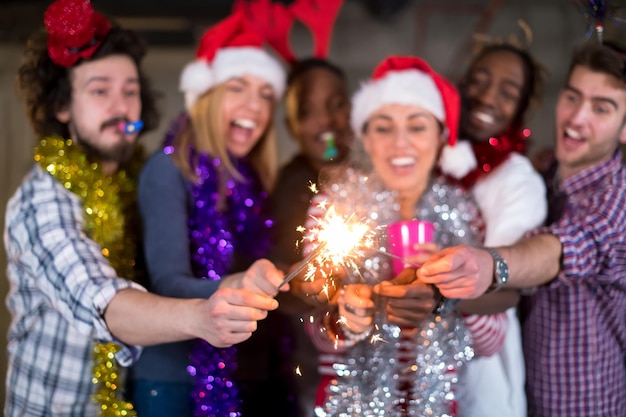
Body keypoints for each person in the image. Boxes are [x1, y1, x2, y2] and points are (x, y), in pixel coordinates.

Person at [4, 1, 286, 416]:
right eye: (100, 91)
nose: (121, 108)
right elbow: (106, 304)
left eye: (130, 91)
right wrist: (204, 316)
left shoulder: (127, 181)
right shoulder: (41, 203)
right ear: (61, 106)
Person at [294, 56, 512, 417]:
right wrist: (347, 318)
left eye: (417, 127)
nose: (400, 143)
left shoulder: (463, 211)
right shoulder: (334, 204)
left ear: (441, 137)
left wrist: (452, 286)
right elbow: (316, 326)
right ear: (364, 136)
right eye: (382, 128)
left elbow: (490, 342)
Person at [418, 42, 626, 417]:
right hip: (525, 394)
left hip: (582, 405)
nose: (577, 118)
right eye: (573, 97)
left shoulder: (617, 200)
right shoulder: (547, 169)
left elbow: (558, 251)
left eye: (601, 108)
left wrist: (489, 265)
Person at [126, 10, 293, 417]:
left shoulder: (250, 180)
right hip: (170, 383)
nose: (254, 106)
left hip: (237, 375)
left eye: (266, 94)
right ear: (205, 96)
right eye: (238, 87)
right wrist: (241, 284)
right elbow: (168, 283)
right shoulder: (167, 171)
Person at [437, 34, 547, 416]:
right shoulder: (438, 160)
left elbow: (509, 287)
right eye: (480, 80)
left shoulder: (518, 180)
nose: (486, 97)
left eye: (507, 91)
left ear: (520, 108)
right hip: (421, 367)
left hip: (483, 372)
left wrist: (431, 298)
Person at [267, 57, 352, 417]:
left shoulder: (375, 176)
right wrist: (305, 285)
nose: (326, 121)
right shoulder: (286, 190)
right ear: (290, 125)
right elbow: (278, 275)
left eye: (335, 105)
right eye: (308, 111)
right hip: (310, 362)